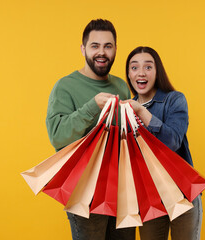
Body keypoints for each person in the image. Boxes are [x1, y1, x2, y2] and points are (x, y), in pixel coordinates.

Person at [46, 19, 135, 240]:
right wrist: (91, 107)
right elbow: (58, 135)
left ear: (115, 50)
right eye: (95, 46)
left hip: (122, 192)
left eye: (108, 46)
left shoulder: (121, 86)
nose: (101, 52)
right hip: (85, 193)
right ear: (83, 49)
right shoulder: (65, 86)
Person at [122, 46, 203, 240]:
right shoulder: (125, 110)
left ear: (157, 71)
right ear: (129, 74)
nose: (141, 72)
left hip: (182, 192)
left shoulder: (174, 100)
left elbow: (173, 141)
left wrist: (141, 112)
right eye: (134, 67)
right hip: (150, 198)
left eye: (148, 67)